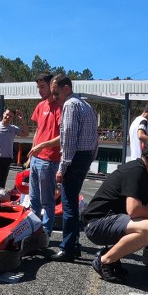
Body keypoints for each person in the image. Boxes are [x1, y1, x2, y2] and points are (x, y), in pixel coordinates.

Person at [82, 134, 148, 283]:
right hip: (96, 224)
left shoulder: (146, 175)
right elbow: (134, 209)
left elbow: (146, 207)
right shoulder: (136, 171)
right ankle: (104, 261)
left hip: (108, 220)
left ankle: (113, 255)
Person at [51, 74, 99, 261]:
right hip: (85, 156)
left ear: (66, 88)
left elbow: (69, 139)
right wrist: (89, 158)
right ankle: (75, 244)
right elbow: (95, 138)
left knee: (69, 205)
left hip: (74, 158)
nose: (55, 98)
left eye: (56, 93)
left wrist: (62, 168)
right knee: (73, 204)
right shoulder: (86, 105)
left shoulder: (70, 105)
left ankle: (68, 248)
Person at [26, 72, 62, 237]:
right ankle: (33, 230)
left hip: (49, 160)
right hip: (35, 159)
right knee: (33, 199)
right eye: (38, 87)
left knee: (47, 201)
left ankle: (45, 233)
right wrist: (32, 151)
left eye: (42, 87)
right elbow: (38, 131)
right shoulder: (40, 106)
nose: (39, 90)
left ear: (51, 86)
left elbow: (63, 136)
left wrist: (43, 146)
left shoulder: (60, 107)